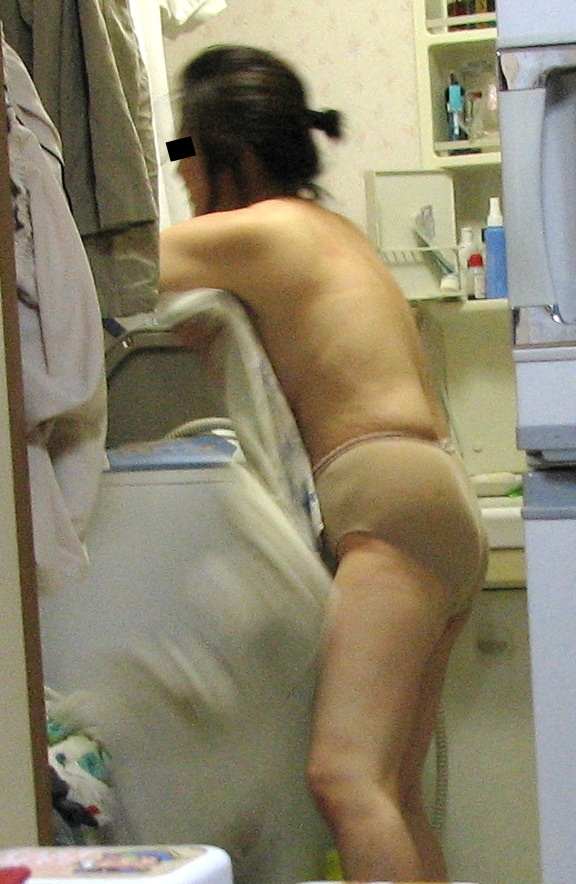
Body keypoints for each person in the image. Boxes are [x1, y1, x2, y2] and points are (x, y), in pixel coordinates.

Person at [159, 44, 488, 882]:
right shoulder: (331, 232)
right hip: (435, 501)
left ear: (226, 149)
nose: (180, 172)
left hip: (386, 503)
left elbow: (99, 269)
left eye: (182, 148)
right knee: (393, 792)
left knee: (345, 780)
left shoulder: (261, 230)